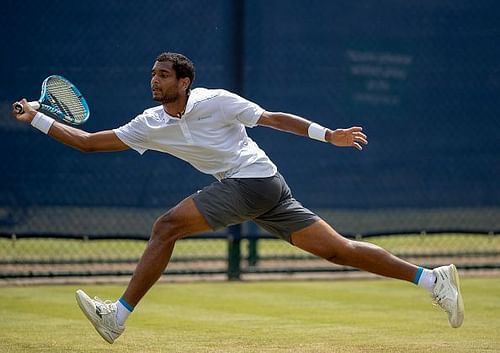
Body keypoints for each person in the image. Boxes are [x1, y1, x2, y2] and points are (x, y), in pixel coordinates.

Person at [13, 52, 464, 344]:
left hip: (254, 182)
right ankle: (432, 280)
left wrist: (329, 135)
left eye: (164, 75)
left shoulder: (217, 101)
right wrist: (36, 120)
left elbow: (271, 119)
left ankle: (118, 317)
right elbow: (90, 142)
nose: (155, 80)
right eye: (153, 74)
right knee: (339, 250)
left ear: (185, 81)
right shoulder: (150, 122)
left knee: (165, 227)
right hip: (264, 189)